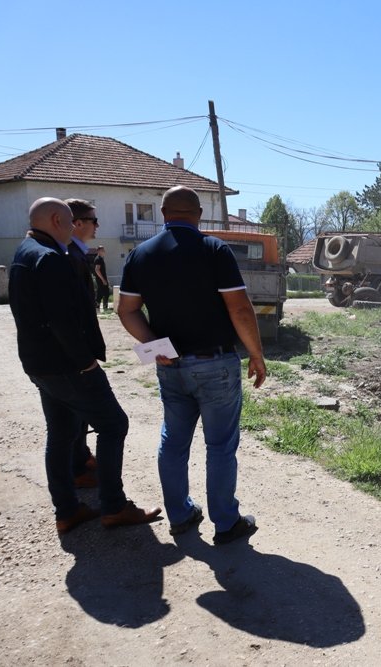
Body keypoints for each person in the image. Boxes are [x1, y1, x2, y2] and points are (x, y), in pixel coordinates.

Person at [118, 186, 267, 545]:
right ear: (198, 214)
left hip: (170, 366)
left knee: (173, 441)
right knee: (219, 446)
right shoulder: (213, 249)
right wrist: (257, 354)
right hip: (215, 363)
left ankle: (180, 515)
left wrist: (154, 347)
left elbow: (127, 310)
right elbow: (240, 308)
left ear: (163, 213)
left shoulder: (139, 255)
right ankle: (226, 523)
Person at [8, 198, 161, 535]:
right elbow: (62, 321)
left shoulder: (25, 251)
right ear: (56, 220)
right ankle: (114, 506)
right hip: (68, 367)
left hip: (40, 366)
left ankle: (67, 510)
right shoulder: (49, 259)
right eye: (71, 222)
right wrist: (86, 363)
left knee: (61, 434)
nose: (77, 228)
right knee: (113, 424)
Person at [64, 199, 102, 488]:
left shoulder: (77, 254)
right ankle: (77, 469)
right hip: (74, 359)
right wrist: (84, 359)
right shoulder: (67, 256)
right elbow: (66, 315)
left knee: (78, 416)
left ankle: (81, 457)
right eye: (92, 219)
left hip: (78, 355)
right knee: (80, 415)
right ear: (76, 223)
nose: (97, 225)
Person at [94, 246, 110, 310]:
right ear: (98, 251)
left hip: (102, 279)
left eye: (104, 250)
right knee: (106, 292)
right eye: (102, 250)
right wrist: (103, 280)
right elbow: (97, 270)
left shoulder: (101, 258)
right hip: (100, 280)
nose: (104, 251)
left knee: (100, 293)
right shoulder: (98, 259)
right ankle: (104, 307)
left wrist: (106, 279)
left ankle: (98, 306)